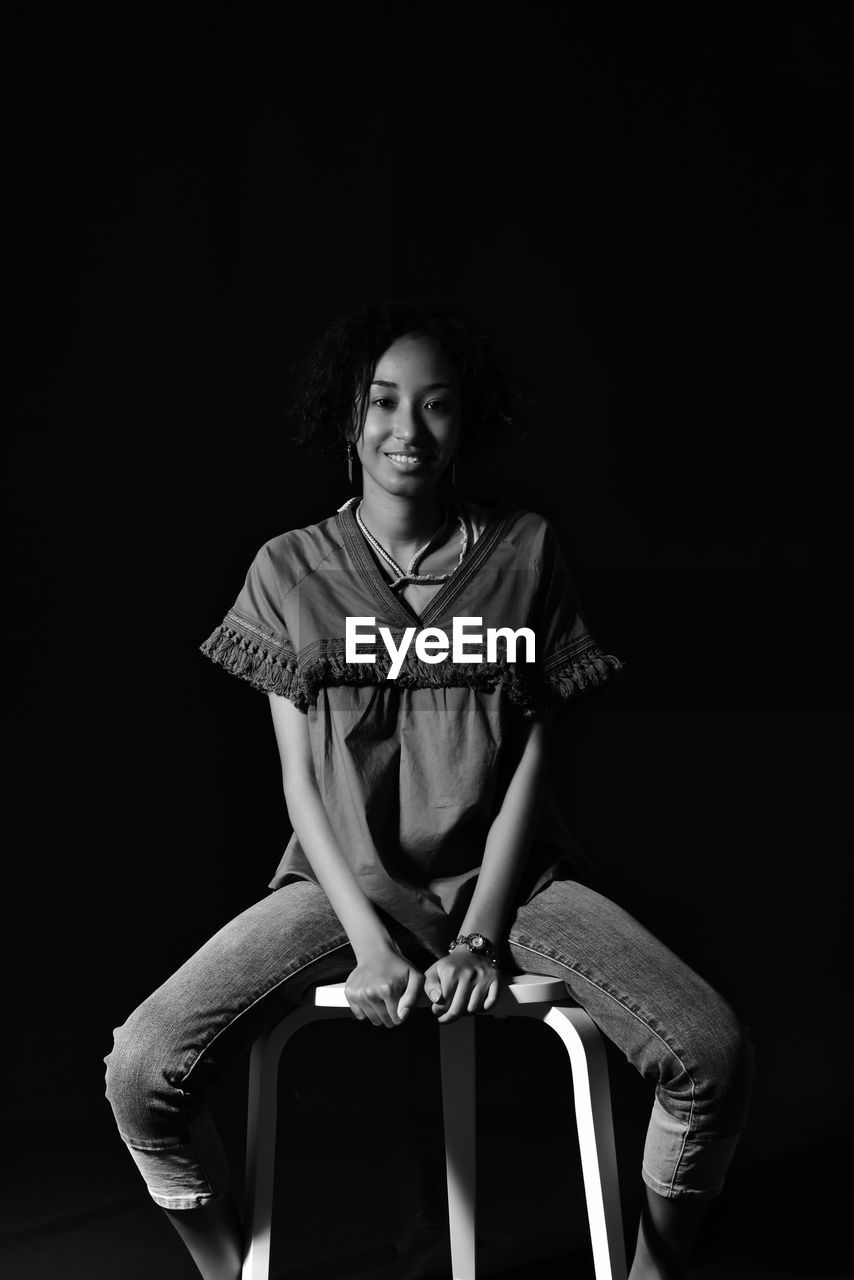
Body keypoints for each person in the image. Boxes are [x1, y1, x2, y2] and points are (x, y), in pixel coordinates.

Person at [104, 301, 754, 1280]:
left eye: (436, 405)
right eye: (382, 402)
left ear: (467, 420)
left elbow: (535, 754)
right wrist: (368, 942)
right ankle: (226, 1272)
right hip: (339, 885)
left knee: (708, 1052)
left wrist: (483, 935)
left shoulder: (525, 549)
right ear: (347, 416)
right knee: (142, 1068)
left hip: (510, 882)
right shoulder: (288, 566)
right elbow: (299, 782)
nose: (406, 430)